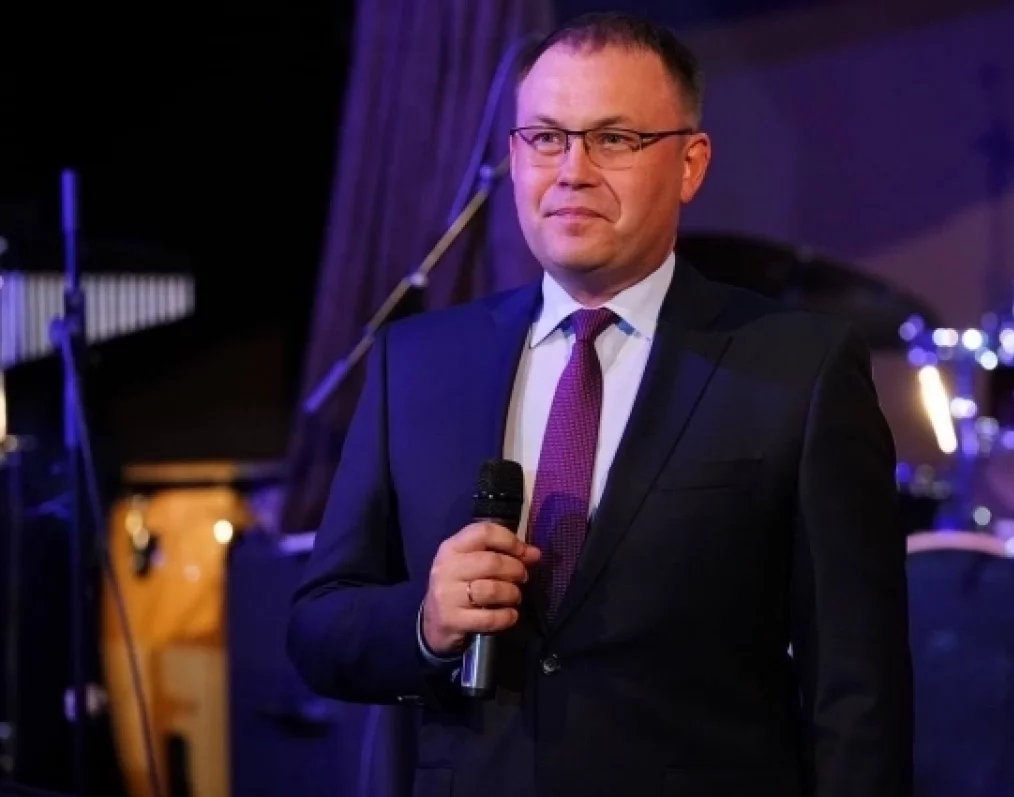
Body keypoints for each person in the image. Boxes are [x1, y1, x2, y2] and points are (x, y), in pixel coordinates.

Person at [287, 11, 913, 797]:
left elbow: (857, 690)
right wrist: (426, 620)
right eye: (546, 138)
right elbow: (319, 626)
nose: (572, 170)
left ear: (690, 164)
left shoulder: (799, 368)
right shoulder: (415, 364)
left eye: (613, 139)